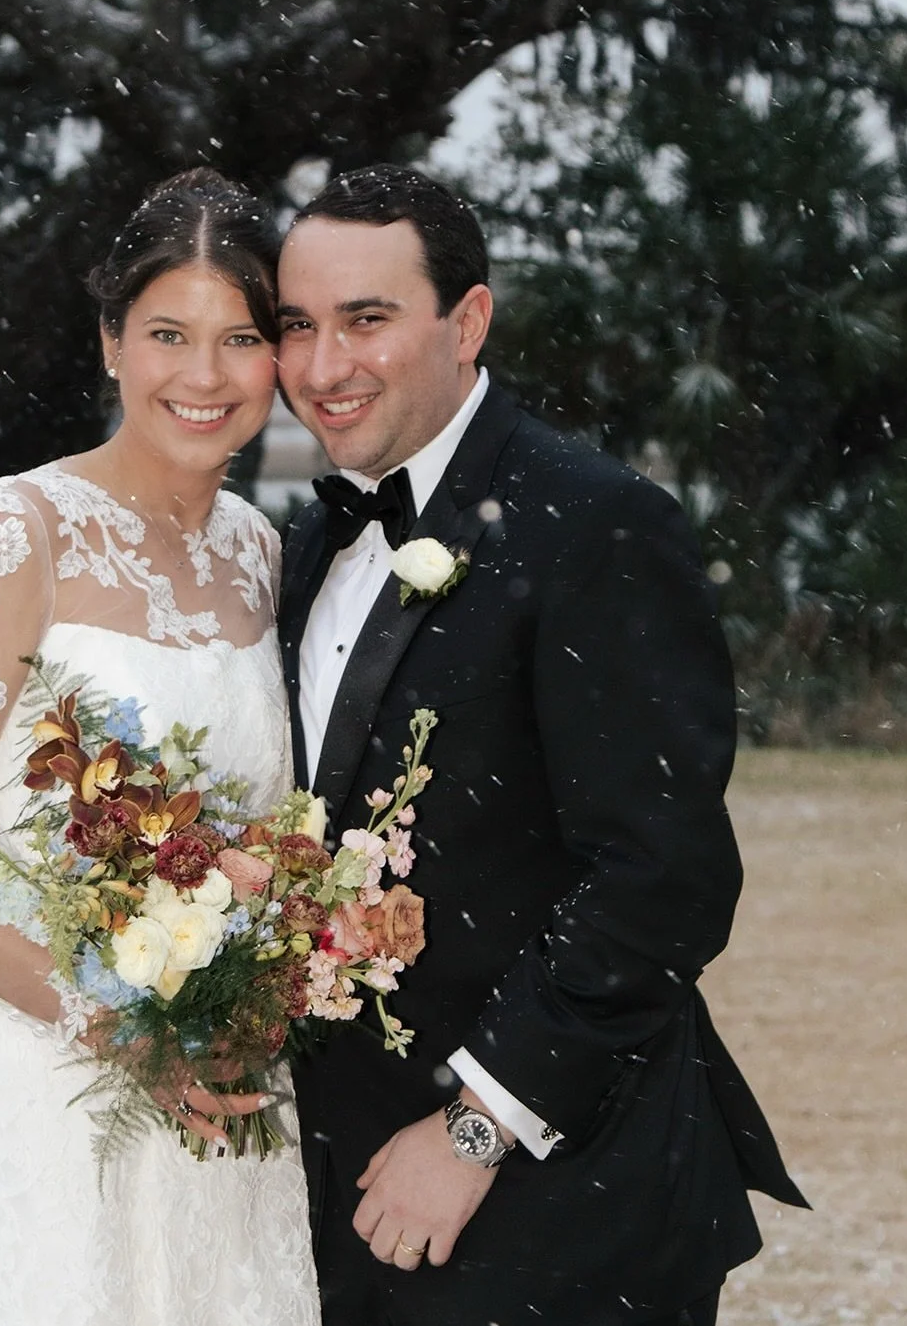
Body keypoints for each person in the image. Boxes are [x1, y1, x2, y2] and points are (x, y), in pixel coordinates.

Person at [275, 164, 807, 1326]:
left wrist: (475, 1125)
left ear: (466, 321)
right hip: (343, 1187)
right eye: (296, 326)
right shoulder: (309, 541)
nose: (322, 367)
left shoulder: (596, 523)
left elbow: (659, 878)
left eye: (366, 319)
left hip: (564, 1199)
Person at [0, 169, 320, 1326]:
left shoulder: (262, 552)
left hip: (228, 1111)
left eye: (239, 337)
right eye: (165, 333)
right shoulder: (14, 530)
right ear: (109, 342)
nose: (202, 376)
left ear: (277, 359)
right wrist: (112, 1018)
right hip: (41, 1091)